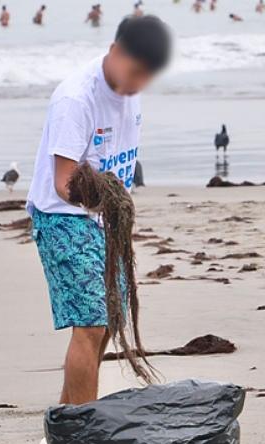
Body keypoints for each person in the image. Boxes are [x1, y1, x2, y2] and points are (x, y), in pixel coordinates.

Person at [26, 15, 171, 407]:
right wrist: (111, 200)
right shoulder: (77, 99)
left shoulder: (130, 92)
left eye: (146, 76)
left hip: (103, 219)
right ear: (114, 51)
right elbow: (64, 181)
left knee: (106, 323)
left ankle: (64, 424)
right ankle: (83, 432)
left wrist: (116, 210)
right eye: (134, 71)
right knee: (90, 326)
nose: (137, 83)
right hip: (64, 217)